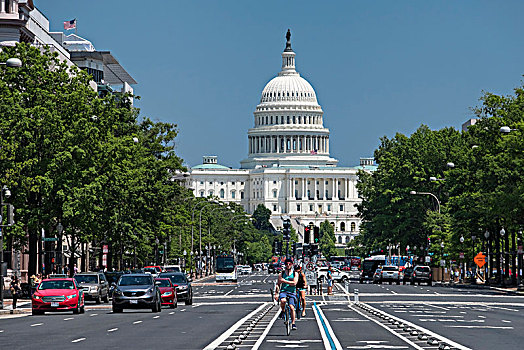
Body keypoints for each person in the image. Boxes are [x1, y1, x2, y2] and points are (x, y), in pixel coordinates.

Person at [274, 258, 299, 330]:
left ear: (292, 264)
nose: (288, 265)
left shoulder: (295, 273)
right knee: (283, 301)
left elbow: (294, 283)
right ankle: (283, 310)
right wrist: (276, 293)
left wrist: (284, 281)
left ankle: (293, 323)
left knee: (292, 307)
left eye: (289, 264)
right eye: (286, 264)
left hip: (292, 292)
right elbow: (278, 284)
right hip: (283, 291)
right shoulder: (281, 274)